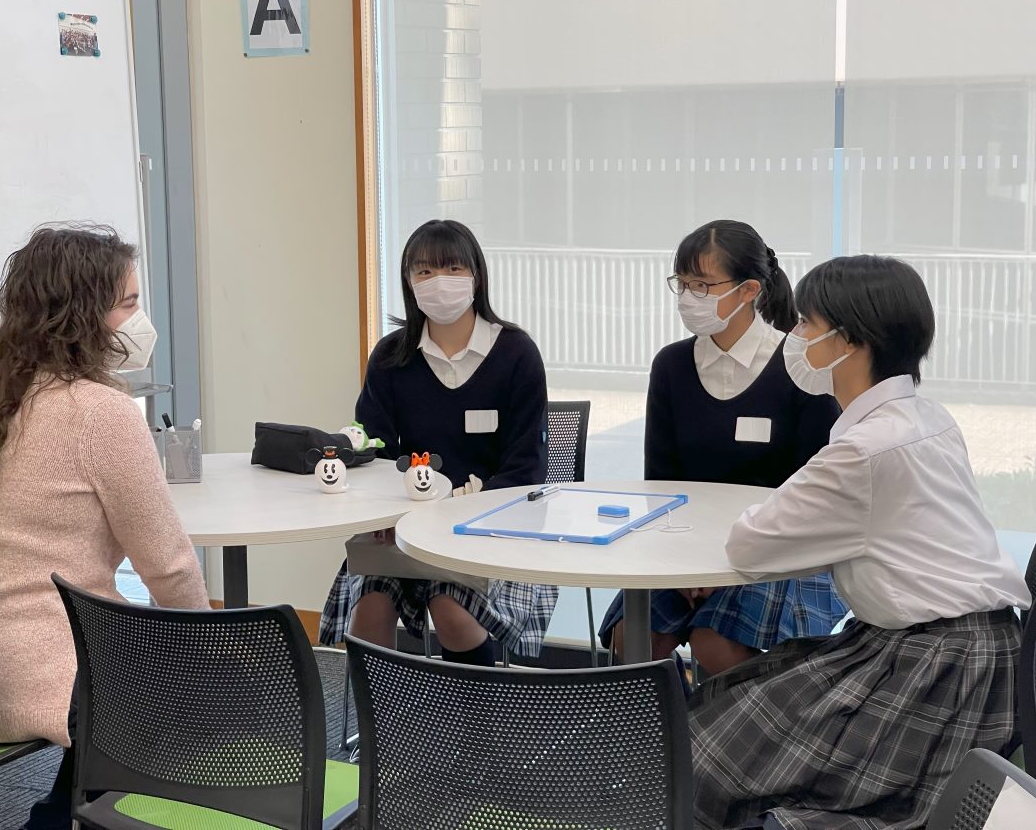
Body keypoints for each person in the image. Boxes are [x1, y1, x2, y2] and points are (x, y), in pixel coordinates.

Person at [689, 255, 1031, 830]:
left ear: (850, 340)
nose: (794, 340)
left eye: (805, 325)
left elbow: (750, 544)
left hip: (932, 667)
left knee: (707, 749)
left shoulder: (863, 450)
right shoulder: (928, 417)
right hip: (982, 651)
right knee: (740, 706)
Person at [0, 225, 209, 830]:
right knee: (185, 689)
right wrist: (207, 652)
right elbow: (167, 564)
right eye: (130, 303)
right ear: (84, 315)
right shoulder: (101, 411)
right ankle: (68, 816)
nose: (141, 320)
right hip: (52, 681)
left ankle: (55, 811)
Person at [599, 220, 847, 673]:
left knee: (717, 644)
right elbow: (662, 482)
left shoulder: (799, 365)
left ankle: (716, 742)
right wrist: (690, 564)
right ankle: (665, 739)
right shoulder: (672, 365)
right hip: (684, 546)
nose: (689, 297)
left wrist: (726, 564)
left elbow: (814, 489)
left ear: (749, 289)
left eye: (703, 285)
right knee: (631, 640)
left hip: (782, 553)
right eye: (683, 284)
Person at [319, 219, 554, 667]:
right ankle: (381, 731)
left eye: (450, 268)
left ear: (476, 276)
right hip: (403, 526)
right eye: (423, 272)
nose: (437, 283)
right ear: (409, 282)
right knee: (370, 606)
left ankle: (473, 727)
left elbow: (526, 465)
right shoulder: (392, 356)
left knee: (451, 607)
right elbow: (374, 451)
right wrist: (385, 515)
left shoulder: (515, 354)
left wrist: (465, 512)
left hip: (488, 527)